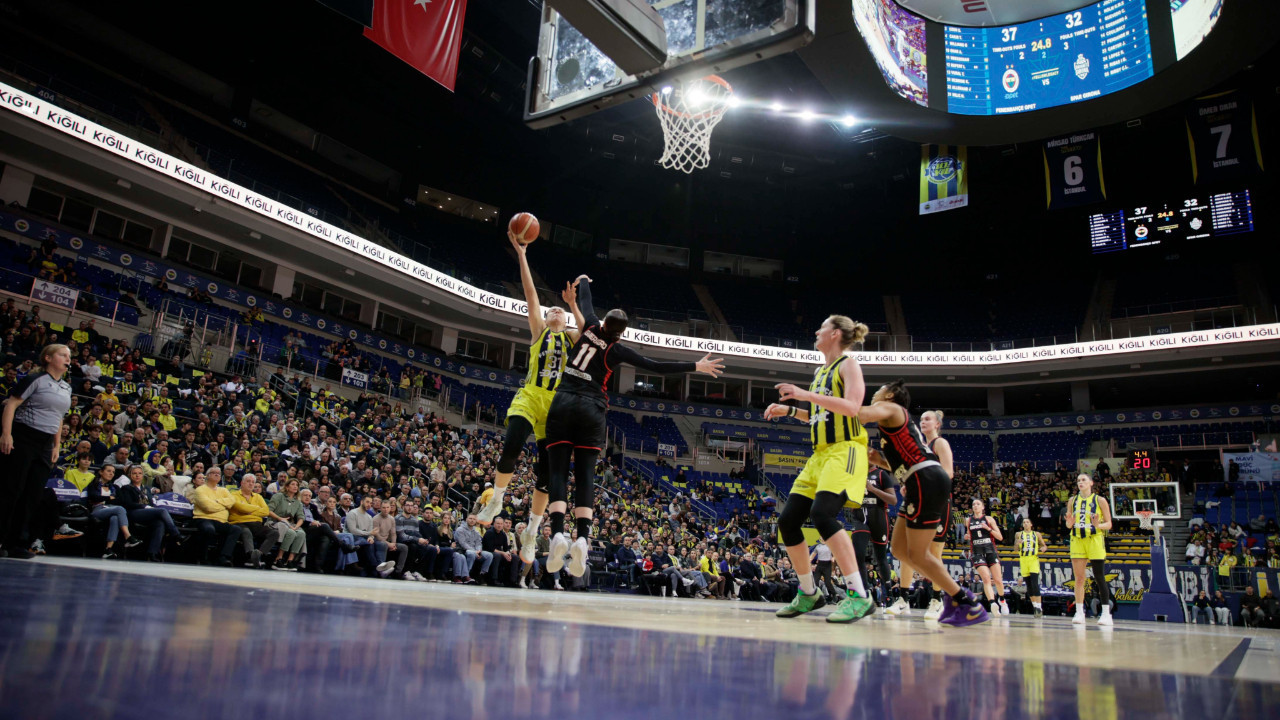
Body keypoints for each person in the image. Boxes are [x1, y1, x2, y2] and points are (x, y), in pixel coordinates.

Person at [542, 274, 723, 578]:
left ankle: (558, 533)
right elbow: (657, 367)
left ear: (603, 323)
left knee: (558, 471)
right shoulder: (617, 350)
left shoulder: (589, 326)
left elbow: (586, 301)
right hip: (592, 408)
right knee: (585, 476)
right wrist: (696, 365)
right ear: (621, 333)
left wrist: (584, 280)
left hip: (563, 401)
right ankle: (583, 538)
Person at [477, 234, 583, 566]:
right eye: (552, 310)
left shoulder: (572, 338)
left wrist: (573, 304)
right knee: (511, 445)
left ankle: (532, 532)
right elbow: (530, 294)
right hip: (529, 396)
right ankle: (497, 499)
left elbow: (587, 329)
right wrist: (522, 254)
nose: (554, 311)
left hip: (556, 408)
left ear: (565, 321)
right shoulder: (539, 331)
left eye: (559, 311)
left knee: (545, 476)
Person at [765, 316, 875, 624]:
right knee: (788, 521)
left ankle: (859, 595)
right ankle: (809, 593)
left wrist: (804, 395)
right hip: (820, 454)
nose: (816, 331)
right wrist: (790, 410)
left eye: (822, 327)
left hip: (845, 449)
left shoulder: (848, 365)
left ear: (835, 333)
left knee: (823, 515)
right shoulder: (819, 373)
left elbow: (852, 408)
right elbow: (819, 414)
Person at [858, 379, 989, 627]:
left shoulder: (894, 411)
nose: (875, 393)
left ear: (890, 396)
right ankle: (943, 598)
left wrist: (813, 404)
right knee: (899, 550)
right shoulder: (905, 434)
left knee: (922, 553)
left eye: (880, 390)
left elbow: (858, 413)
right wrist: (875, 457)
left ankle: (961, 601)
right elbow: (896, 465)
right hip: (917, 483)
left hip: (927, 483)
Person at [0, 344, 72, 558]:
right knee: (12, 490)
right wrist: (6, 434)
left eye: (69, 356)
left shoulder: (66, 387)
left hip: (45, 443)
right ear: (48, 358)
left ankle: (14, 543)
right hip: (24, 437)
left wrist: (56, 445)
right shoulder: (35, 379)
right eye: (63, 355)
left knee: (32, 495)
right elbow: (11, 405)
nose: (68, 359)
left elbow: (59, 417)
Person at [1066, 473, 1113, 625]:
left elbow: (1109, 524)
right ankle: (1079, 612)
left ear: (1091, 483)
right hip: (1077, 540)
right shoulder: (1072, 500)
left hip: (1094, 539)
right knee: (1079, 578)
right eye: (1078, 480)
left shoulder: (1100, 500)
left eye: (1083, 480)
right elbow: (1068, 524)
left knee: (1099, 577)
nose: (1080, 482)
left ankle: (1106, 613)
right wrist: (1069, 523)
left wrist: (1098, 525)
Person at [966, 499, 1010, 615]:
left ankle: (1002, 600)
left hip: (990, 550)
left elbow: (1000, 537)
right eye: (973, 504)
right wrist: (967, 536)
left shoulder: (989, 519)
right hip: (977, 552)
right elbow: (970, 535)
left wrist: (988, 528)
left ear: (983, 507)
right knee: (986, 578)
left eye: (978, 504)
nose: (975, 506)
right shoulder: (968, 520)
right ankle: (992, 603)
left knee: (998, 580)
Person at [1016, 518, 1048, 617]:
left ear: (1031, 524)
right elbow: (1015, 549)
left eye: (1027, 522)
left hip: (1033, 559)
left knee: (1034, 583)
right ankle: (1035, 606)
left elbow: (1044, 545)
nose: (1025, 524)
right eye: (1024, 522)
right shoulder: (1018, 534)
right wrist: (1017, 544)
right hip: (1023, 560)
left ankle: (1039, 607)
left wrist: (1043, 548)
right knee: (1029, 585)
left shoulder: (1036, 534)